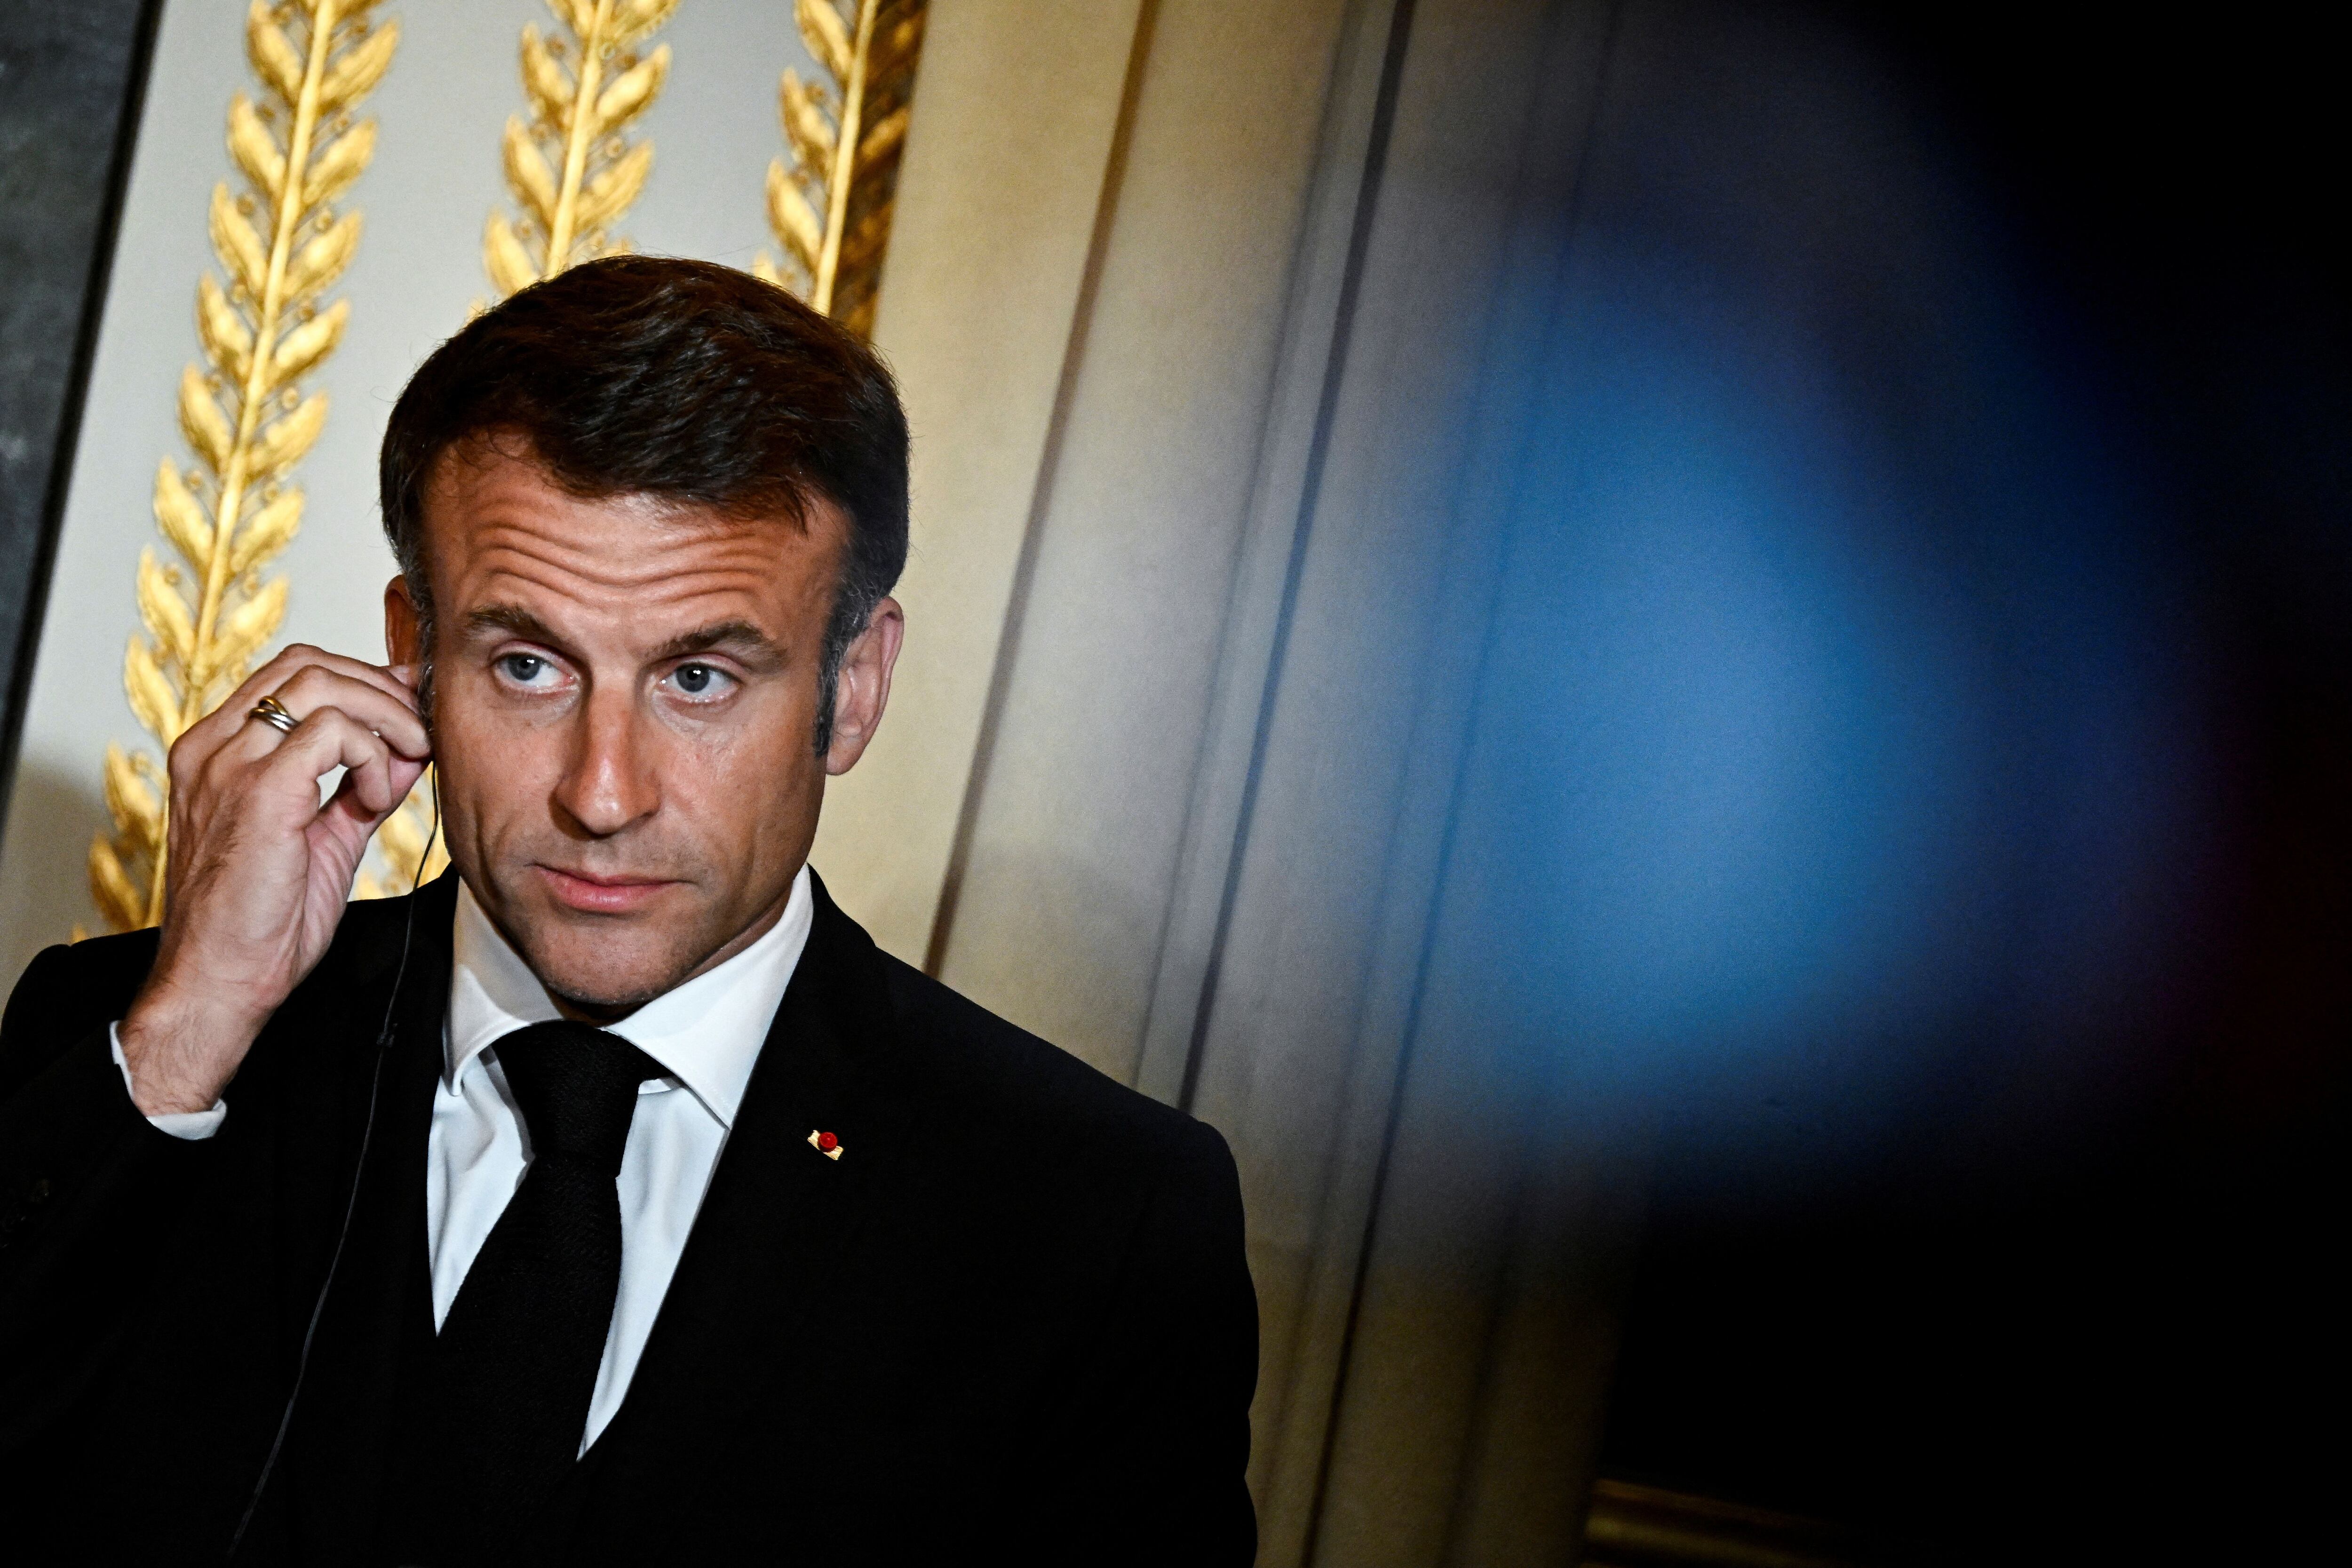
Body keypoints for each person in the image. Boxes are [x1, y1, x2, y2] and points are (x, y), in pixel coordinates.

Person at [0, 258, 1256, 1565]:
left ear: (858, 686)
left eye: (701, 677)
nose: (604, 793)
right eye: (528, 665)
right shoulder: (132, 1056)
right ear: (413, 658)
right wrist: (190, 1029)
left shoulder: (1098, 1226)